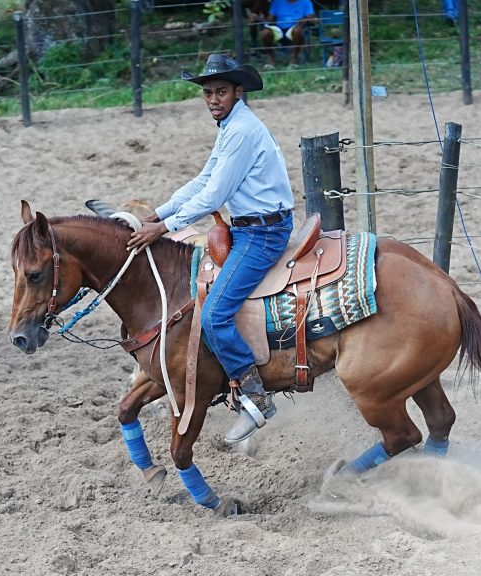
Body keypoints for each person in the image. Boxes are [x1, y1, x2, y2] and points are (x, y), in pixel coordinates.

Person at [125, 54, 295, 444]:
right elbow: (204, 179)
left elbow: (215, 194)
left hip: (262, 234)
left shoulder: (240, 131)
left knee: (215, 314)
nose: (213, 99)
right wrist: (158, 214)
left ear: (239, 92)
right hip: (248, 228)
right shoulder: (231, 127)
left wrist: (164, 228)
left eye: (221, 91)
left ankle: (256, 396)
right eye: (207, 93)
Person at [260, 0, 316, 68]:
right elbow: (269, 19)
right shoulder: (277, 1)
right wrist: (260, 18)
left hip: (294, 27)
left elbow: (311, 17)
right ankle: (271, 61)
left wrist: (305, 19)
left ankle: (294, 60)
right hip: (279, 29)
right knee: (265, 33)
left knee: (297, 31)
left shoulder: (306, 2)